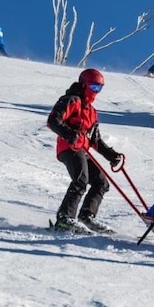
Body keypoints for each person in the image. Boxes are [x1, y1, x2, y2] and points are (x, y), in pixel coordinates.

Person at [47, 69, 122, 233]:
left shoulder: (92, 112)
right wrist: (69, 134)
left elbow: (95, 140)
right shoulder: (71, 100)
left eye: (99, 88)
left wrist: (111, 155)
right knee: (81, 180)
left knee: (101, 182)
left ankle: (87, 216)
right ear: (84, 85)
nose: (96, 92)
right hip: (69, 147)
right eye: (93, 87)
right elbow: (53, 120)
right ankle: (65, 218)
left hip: (83, 149)